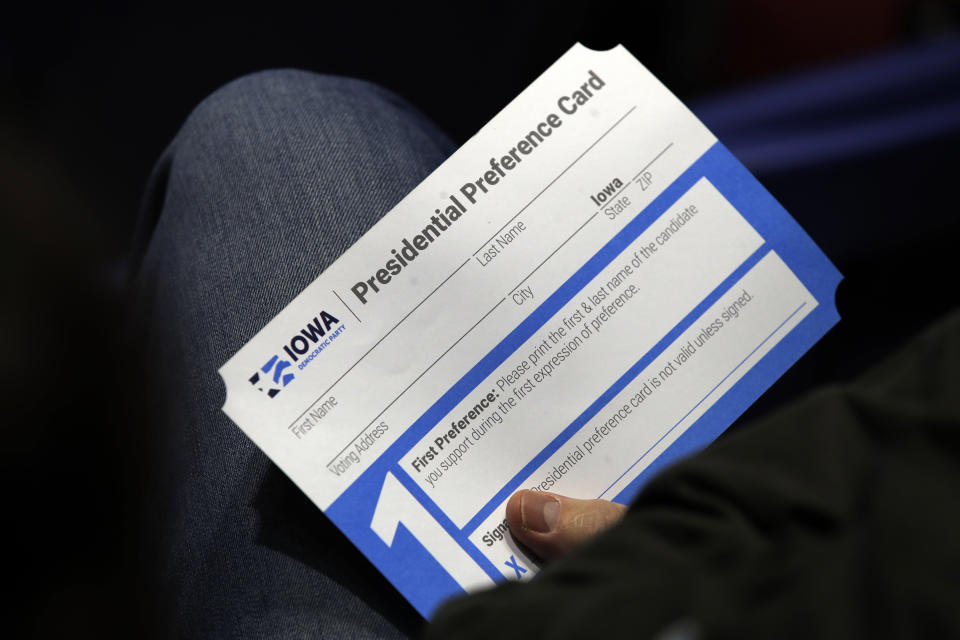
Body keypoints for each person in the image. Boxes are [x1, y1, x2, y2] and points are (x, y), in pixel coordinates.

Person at [133, 65, 960, 639]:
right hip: (691, 562)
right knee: (277, 123)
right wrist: (676, 538)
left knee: (268, 135)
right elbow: (882, 442)